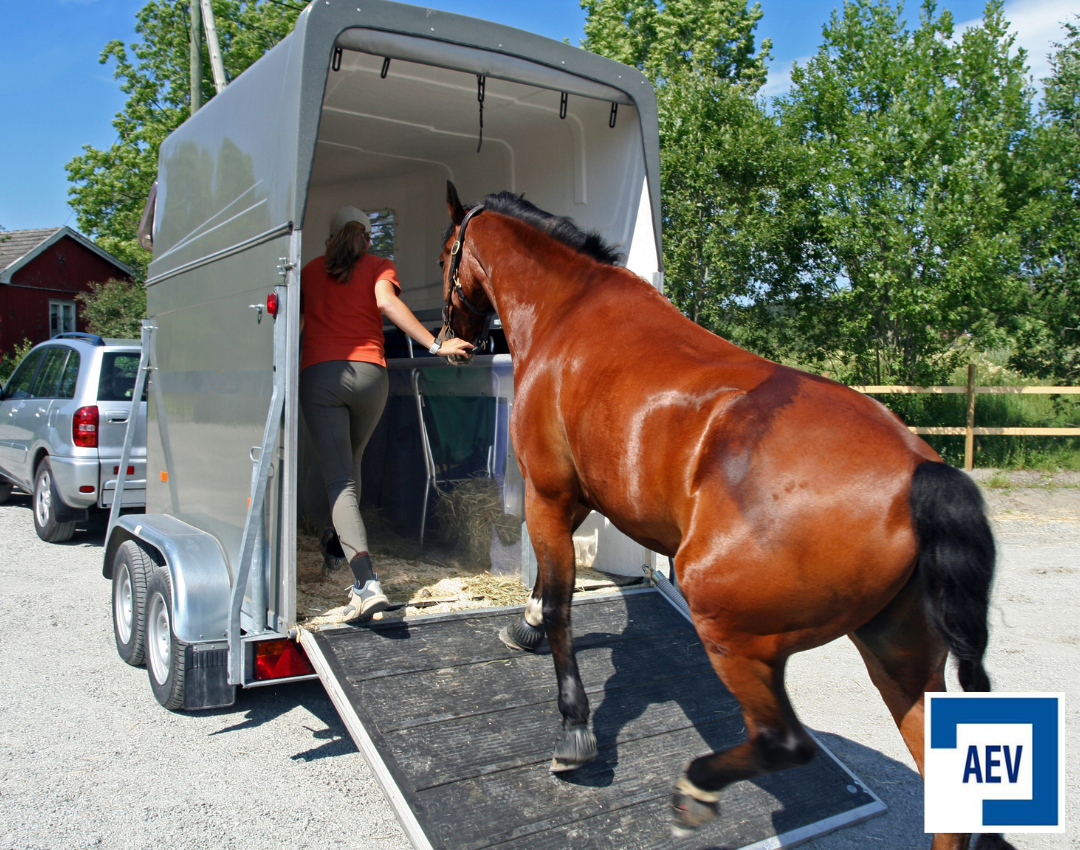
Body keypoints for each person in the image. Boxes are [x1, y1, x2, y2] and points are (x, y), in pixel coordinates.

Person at [300, 206, 474, 621]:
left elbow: (301, 325)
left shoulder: (309, 271)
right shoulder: (379, 265)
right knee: (352, 465)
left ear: (329, 238)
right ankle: (335, 540)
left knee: (339, 480)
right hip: (371, 377)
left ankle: (365, 585)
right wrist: (436, 345)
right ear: (368, 238)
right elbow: (385, 303)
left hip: (323, 374)